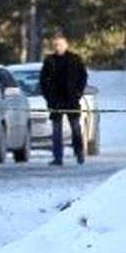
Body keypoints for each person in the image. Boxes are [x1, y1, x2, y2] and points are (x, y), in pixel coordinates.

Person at [40, 33, 89, 166]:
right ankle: (58, 157)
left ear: (66, 45)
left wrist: (78, 92)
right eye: (56, 45)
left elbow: (83, 76)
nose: (58, 47)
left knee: (76, 128)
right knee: (56, 130)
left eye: (60, 44)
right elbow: (43, 80)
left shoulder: (75, 59)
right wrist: (48, 96)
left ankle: (79, 153)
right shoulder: (49, 61)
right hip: (55, 100)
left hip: (72, 99)